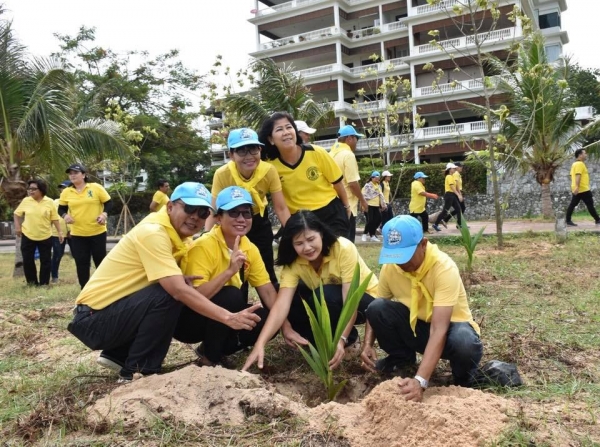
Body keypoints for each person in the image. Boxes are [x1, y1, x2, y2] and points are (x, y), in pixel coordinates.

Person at [67, 182, 262, 382]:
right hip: (92, 320)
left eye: (203, 213)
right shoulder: (154, 232)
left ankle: (118, 355)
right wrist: (228, 317)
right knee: (169, 292)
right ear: (169, 207)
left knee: (174, 288)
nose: (195, 217)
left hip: (113, 314)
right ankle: (139, 371)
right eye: (189, 208)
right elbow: (177, 291)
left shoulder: (181, 239)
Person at [360, 215, 483, 402]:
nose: (401, 263)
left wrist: (421, 380)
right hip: (418, 330)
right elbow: (376, 307)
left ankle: (462, 378)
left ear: (423, 244)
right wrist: (367, 344)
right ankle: (402, 362)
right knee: (377, 308)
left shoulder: (443, 268)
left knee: (464, 341)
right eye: (396, 256)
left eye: (406, 256)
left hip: (449, 333)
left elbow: (439, 328)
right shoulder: (391, 268)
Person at [243, 210, 378, 371]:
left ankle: (349, 342)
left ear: (321, 234)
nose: (307, 248)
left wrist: (342, 339)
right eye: (299, 243)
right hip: (326, 300)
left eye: (311, 239)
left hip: (365, 303)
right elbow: (280, 306)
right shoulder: (293, 262)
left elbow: (351, 302)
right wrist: (260, 344)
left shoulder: (343, 248)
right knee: (290, 297)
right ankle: (318, 345)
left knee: (325, 295)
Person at [176, 186, 278, 366]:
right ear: (218, 218)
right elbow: (193, 297)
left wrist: (285, 326)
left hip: (222, 317)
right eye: (233, 213)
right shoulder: (203, 246)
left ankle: (214, 348)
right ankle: (209, 360)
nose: (241, 219)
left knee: (267, 318)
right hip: (189, 320)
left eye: (246, 213)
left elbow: (268, 291)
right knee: (231, 295)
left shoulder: (250, 248)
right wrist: (229, 272)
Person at [207, 128, 291, 286]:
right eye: (241, 151)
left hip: (259, 220)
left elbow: (280, 208)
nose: (249, 156)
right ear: (231, 155)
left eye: (253, 149)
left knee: (266, 269)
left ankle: (272, 300)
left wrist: (293, 233)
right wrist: (207, 237)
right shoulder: (222, 174)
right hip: (232, 223)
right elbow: (213, 211)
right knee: (238, 273)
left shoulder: (269, 171)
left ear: (260, 150)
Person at [258, 111, 351, 238]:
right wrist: (291, 230)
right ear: (271, 139)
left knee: (339, 249)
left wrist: (346, 207)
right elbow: (279, 207)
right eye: (279, 129)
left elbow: (337, 183)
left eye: (289, 127)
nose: (286, 132)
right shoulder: (269, 166)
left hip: (331, 213)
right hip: (299, 219)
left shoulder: (316, 152)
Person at [58, 164, 112, 289]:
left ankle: (104, 288)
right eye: (70, 173)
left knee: (100, 260)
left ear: (83, 175)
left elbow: (109, 203)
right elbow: (61, 209)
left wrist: (104, 214)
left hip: (97, 231)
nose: (72, 175)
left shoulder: (95, 187)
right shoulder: (66, 192)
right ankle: (85, 289)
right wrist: (65, 216)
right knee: (81, 262)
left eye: (75, 173)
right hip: (78, 233)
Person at [14, 179, 64, 286]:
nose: (31, 191)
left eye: (34, 189)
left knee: (45, 261)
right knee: (28, 260)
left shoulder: (49, 202)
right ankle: (32, 283)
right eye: (29, 189)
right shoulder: (26, 201)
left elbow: (55, 218)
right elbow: (17, 214)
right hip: (28, 235)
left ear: (41, 190)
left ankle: (44, 283)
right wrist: (17, 227)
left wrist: (60, 232)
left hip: (45, 235)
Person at [330, 124, 369, 243]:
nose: (357, 142)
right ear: (349, 138)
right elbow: (352, 183)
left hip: (332, 206)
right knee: (348, 244)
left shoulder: (330, 154)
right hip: (347, 207)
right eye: (357, 138)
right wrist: (363, 200)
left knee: (336, 243)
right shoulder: (348, 155)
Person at [565, 149, 600, 226]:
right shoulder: (579, 164)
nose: (586, 155)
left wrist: (575, 186)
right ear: (580, 155)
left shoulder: (574, 164)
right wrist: (577, 186)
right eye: (585, 153)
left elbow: (571, 176)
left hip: (578, 188)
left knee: (573, 204)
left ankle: (568, 221)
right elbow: (578, 175)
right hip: (582, 189)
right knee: (590, 204)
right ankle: (598, 220)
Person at [51, 180, 71, 283]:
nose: (62, 190)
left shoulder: (75, 201)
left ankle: (83, 275)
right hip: (57, 233)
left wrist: (70, 230)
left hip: (74, 233)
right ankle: (54, 276)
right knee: (57, 254)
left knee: (79, 254)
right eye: (61, 188)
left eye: (65, 188)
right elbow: (51, 217)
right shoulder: (55, 202)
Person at [432, 163, 462, 232]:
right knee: (445, 211)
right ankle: (435, 224)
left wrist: (458, 194)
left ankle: (459, 224)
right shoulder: (449, 177)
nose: (455, 169)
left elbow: (455, 187)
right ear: (450, 169)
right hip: (449, 195)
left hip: (452, 195)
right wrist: (458, 195)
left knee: (458, 209)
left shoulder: (452, 176)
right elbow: (452, 187)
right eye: (453, 168)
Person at [361, 171, 386, 242]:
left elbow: (381, 195)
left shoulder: (379, 186)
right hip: (369, 205)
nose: (377, 179)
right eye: (376, 178)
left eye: (378, 178)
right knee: (370, 220)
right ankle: (365, 234)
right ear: (372, 178)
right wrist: (363, 206)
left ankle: (372, 234)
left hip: (376, 205)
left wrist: (383, 204)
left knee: (378, 219)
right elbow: (364, 195)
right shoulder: (367, 185)